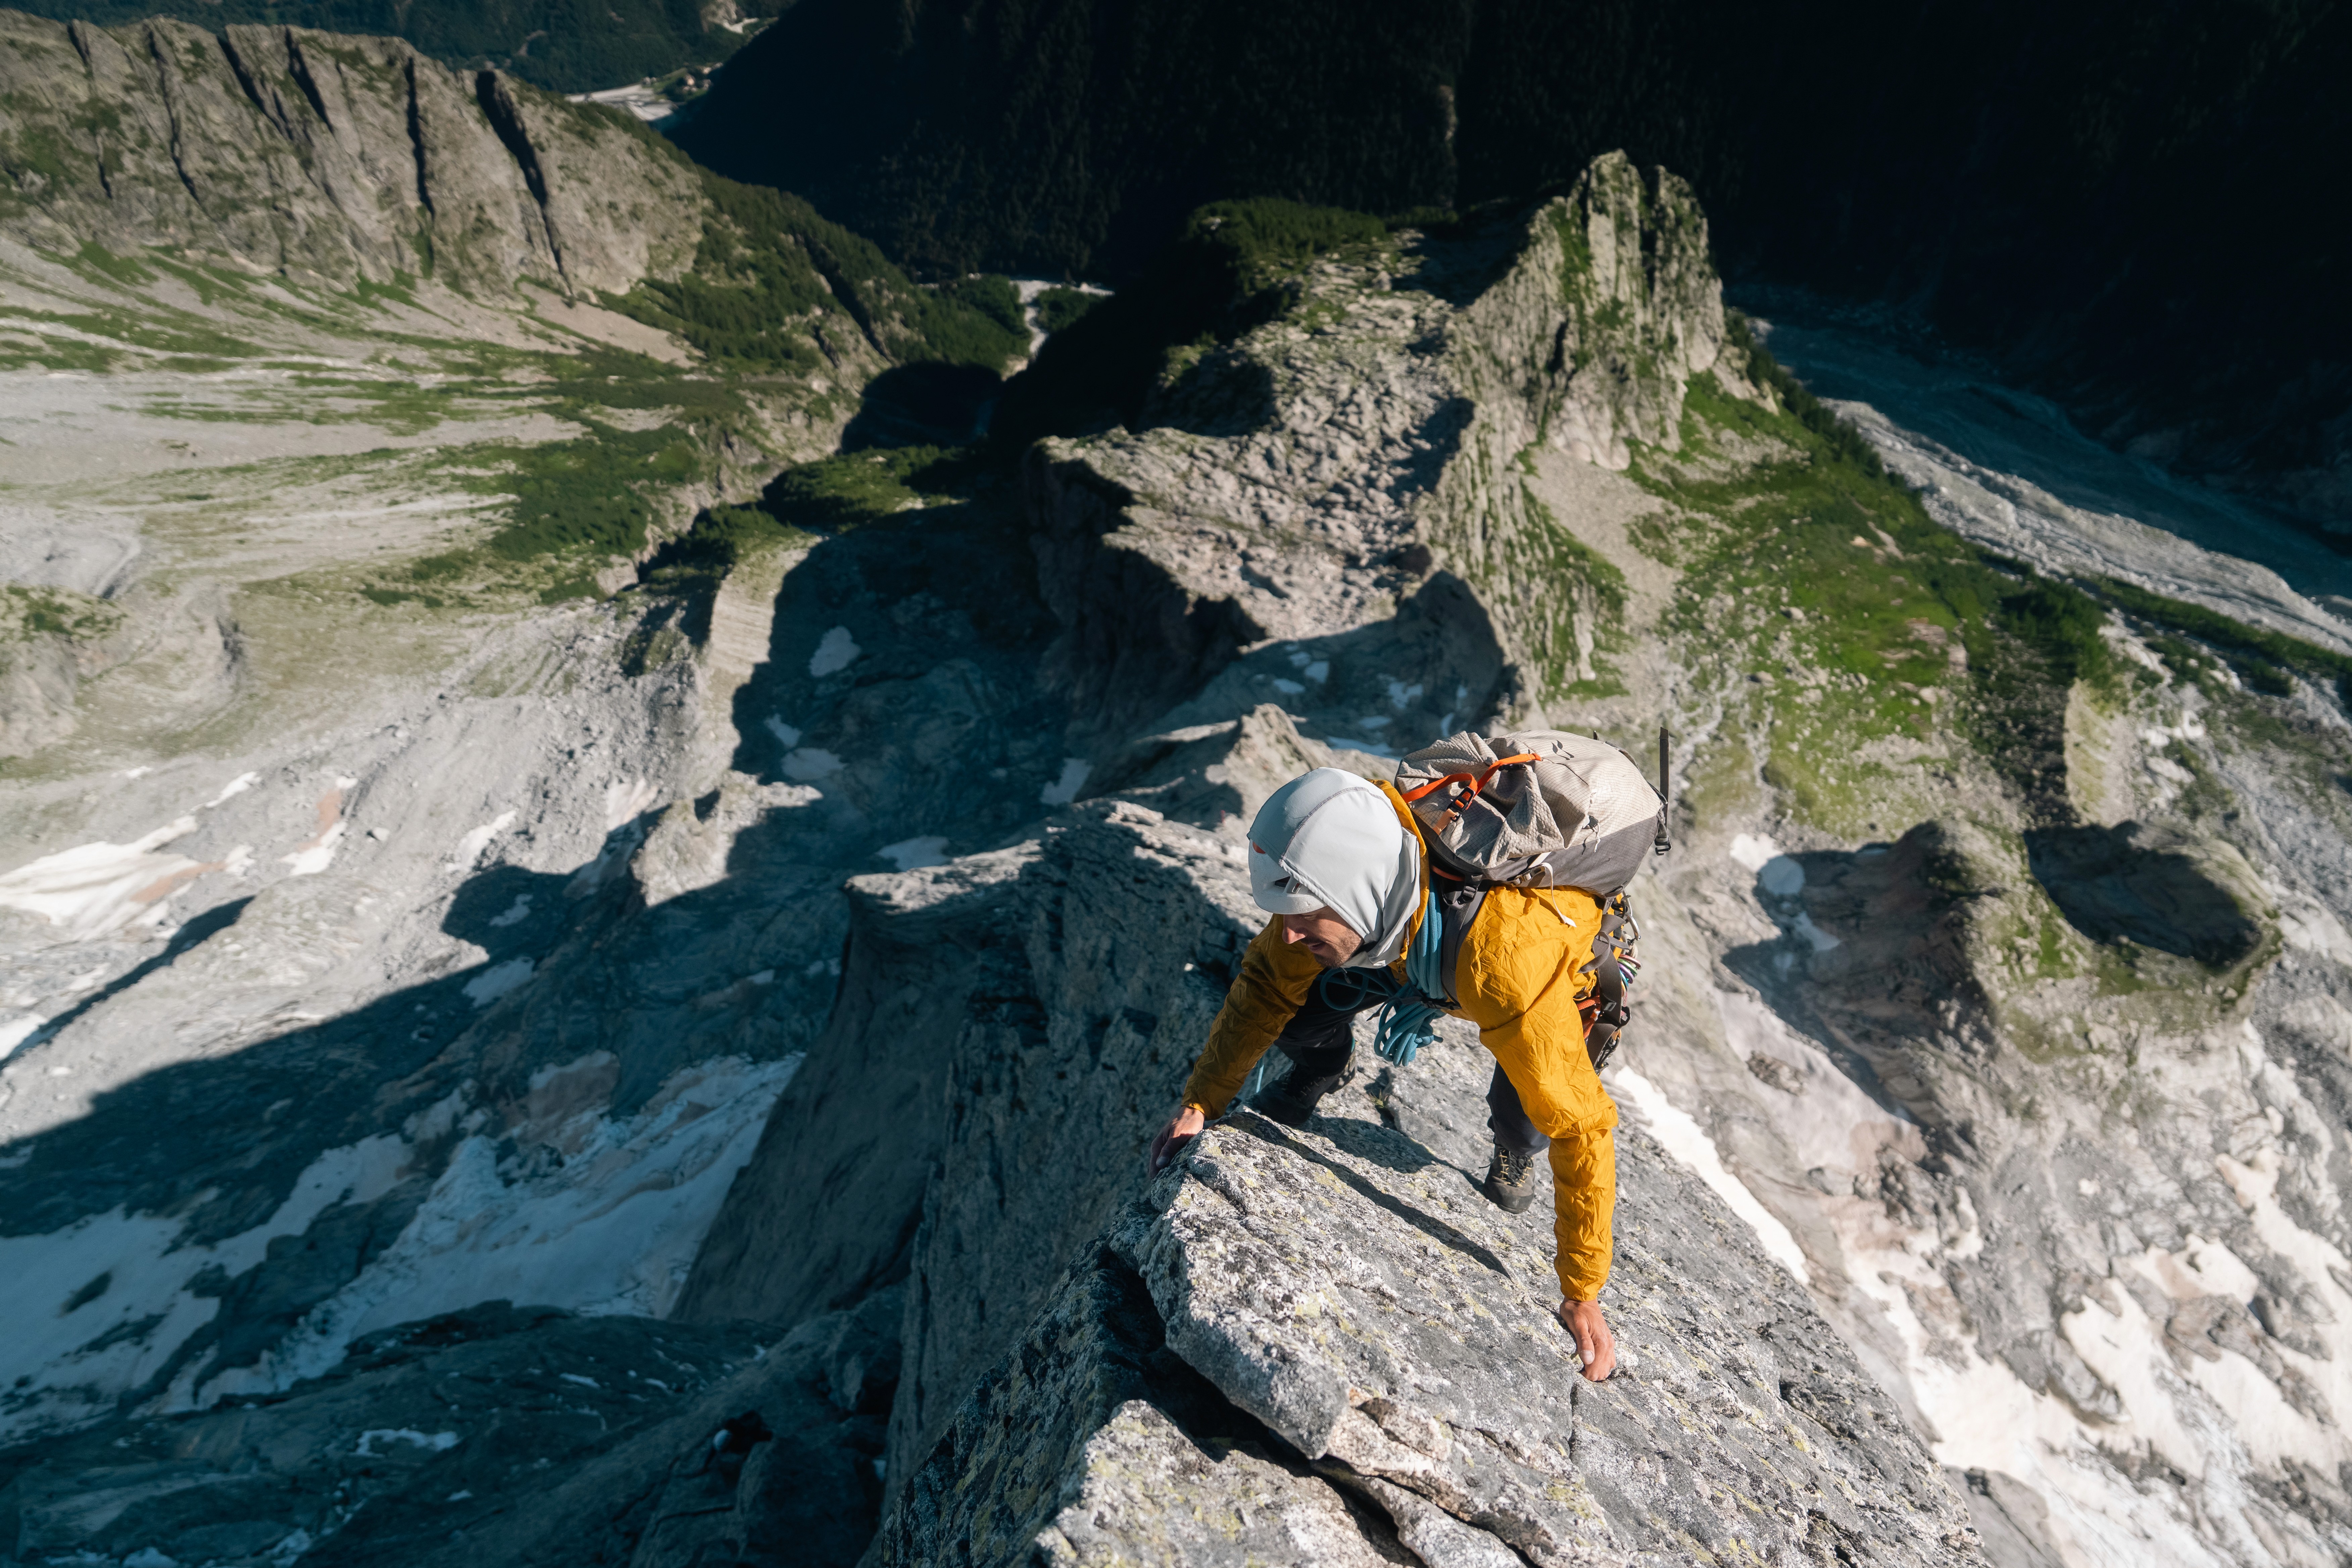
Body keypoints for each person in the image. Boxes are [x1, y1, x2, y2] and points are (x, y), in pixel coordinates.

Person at [1147, 767, 1620, 1379]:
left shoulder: (1504, 964)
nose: (1287, 930)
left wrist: (1583, 1290)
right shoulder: (1347, 870)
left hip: (1526, 963)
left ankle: (1511, 1149)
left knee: (1534, 1117)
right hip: (1411, 939)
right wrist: (1202, 1102)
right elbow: (1265, 983)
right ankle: (1326, 1063)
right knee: (1293, 1003)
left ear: (1363, 893)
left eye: (1305, 914)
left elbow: (1582, 1129)